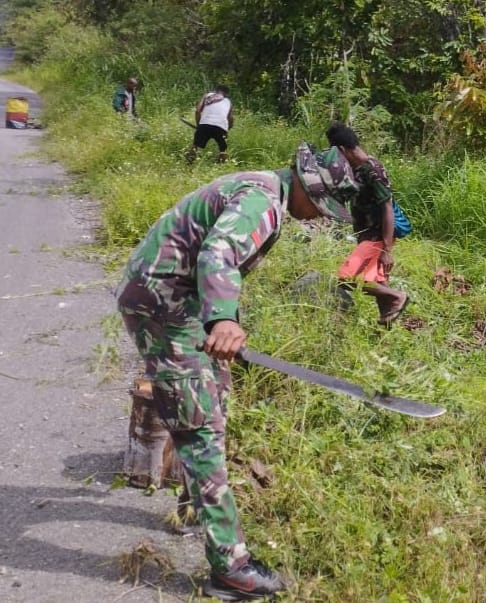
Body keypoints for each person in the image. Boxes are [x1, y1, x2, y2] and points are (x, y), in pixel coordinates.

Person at [115, 142, 359, 600]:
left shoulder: (267, 191)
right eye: (323, 205)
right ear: (305, 187)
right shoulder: (262, 200)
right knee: (200, 423)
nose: (322, 215)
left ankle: (194, 505)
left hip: (178, 301)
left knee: (216, 395)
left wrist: (223, 321)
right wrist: (222, 318)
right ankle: (230, 567)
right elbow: (216, 254)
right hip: (162, 305)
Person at [325, 122, 410, 326]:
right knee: (379, 282)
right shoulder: (356, 169)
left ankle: (398, 297)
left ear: (343, 150)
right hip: (366, 234)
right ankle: (386, 326)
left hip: (377, 235)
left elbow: (387, 206)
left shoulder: (373, 170)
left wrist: (387, 249)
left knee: (348, 278)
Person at [187, 85, 235, 164]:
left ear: (215, 91)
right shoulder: (228, 101)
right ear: (226, 94)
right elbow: (230, 119)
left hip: (204, 125)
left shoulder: (207, 96)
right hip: (221, 127)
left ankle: (188, 165)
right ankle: (222, 168)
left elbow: (197, 111)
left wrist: (199, 125)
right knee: (223, 150)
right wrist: (227, 129)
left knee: (195, 146)